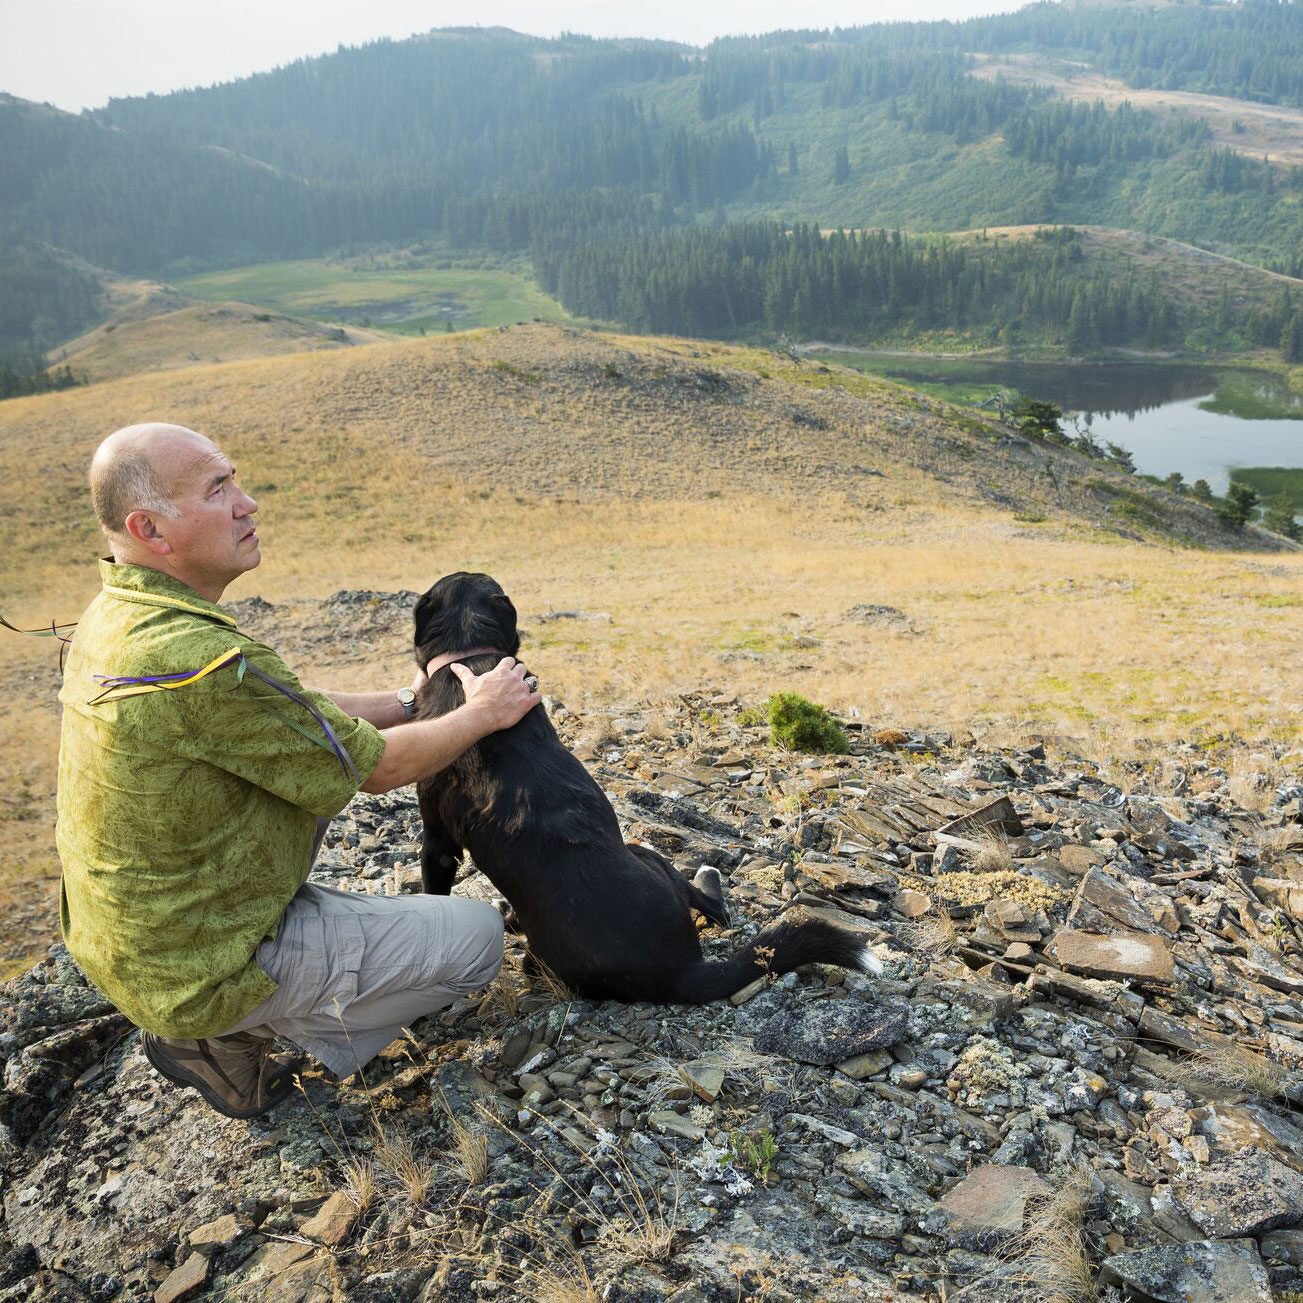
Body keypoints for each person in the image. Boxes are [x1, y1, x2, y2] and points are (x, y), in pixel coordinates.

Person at [56, 422, 539, 1119]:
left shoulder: (124, 616)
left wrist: (412, 700)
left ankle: (235, 1008)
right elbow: (376, 770)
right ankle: (228, 1034)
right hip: (202, 963)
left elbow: (290, 713)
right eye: (219, 489)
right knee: (476, 941)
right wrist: (483, 712)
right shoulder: (200, 657)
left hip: (150, 935)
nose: (248, 503)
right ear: (151, 529)